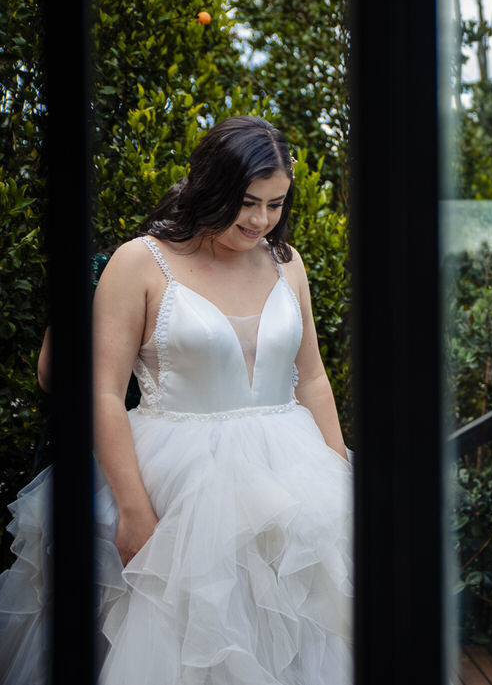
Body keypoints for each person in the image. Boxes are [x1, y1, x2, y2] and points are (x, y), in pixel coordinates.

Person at [0, 116, 352, 684]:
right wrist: (135, 511)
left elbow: (310, 377)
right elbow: (103, 392)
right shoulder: (140, 262)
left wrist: (338, 475)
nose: (261, 221)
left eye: (276, 204)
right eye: (246, 203)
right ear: (210, 187)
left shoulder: (287, 263)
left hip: (292, 473)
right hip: (178, 478)